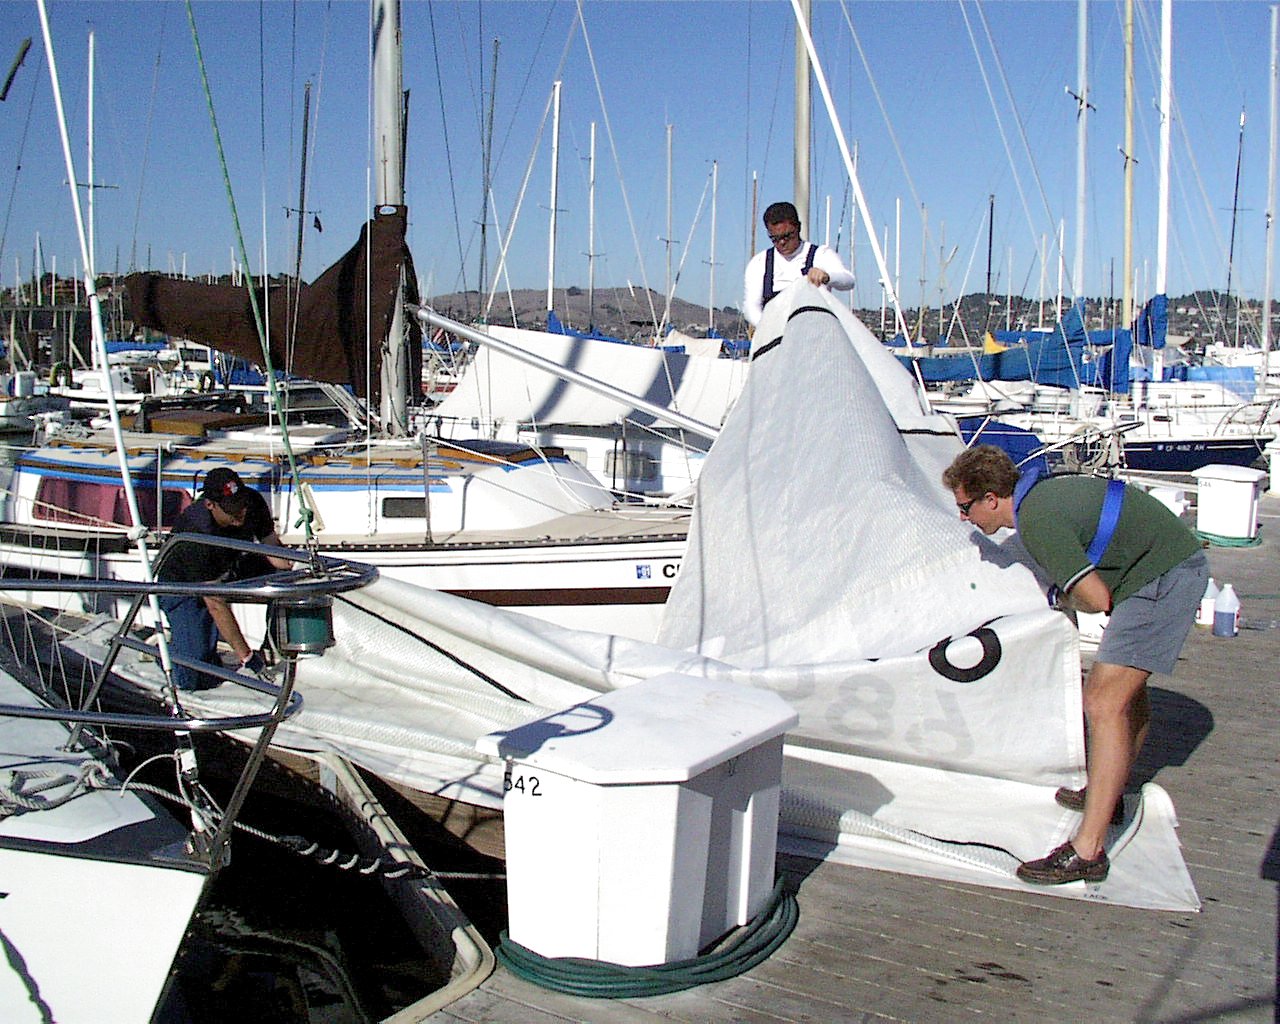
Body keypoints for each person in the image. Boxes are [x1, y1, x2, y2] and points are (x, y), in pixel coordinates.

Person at [942, 445, 1208, 885]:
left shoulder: (1037, 521)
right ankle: (1108, 792)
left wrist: (1061, 594)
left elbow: (1096, 599)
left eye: (965, 507)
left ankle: (1088, 851)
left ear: (991, 498)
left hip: (1163, 576)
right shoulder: (1039, 498)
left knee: (1103, 702)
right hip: (1161, 565)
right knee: (1124, 694)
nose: (963, 517)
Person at [158, 467, 291, 691]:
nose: (240, 512)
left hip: (229, 566)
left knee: (288, 581)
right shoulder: (195, 532)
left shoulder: (252, 503)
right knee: (192, 675)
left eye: (241, 504)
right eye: (231, 509)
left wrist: (295, 569)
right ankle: (166, 653)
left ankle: (276, 646)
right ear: (210, 505)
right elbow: (216, 604)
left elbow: (272, 546)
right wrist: (247, 657)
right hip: (184, 586)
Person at [742, 201, 854, 328]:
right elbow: (751, 308)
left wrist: (827, 277)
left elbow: (849, 281)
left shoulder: (821, 254)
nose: (782, 242)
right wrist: (770, 329)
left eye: (787, 236)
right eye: (775, 238)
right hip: (775, 334)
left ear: (798, 228)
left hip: (815, 333)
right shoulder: (759, 263)